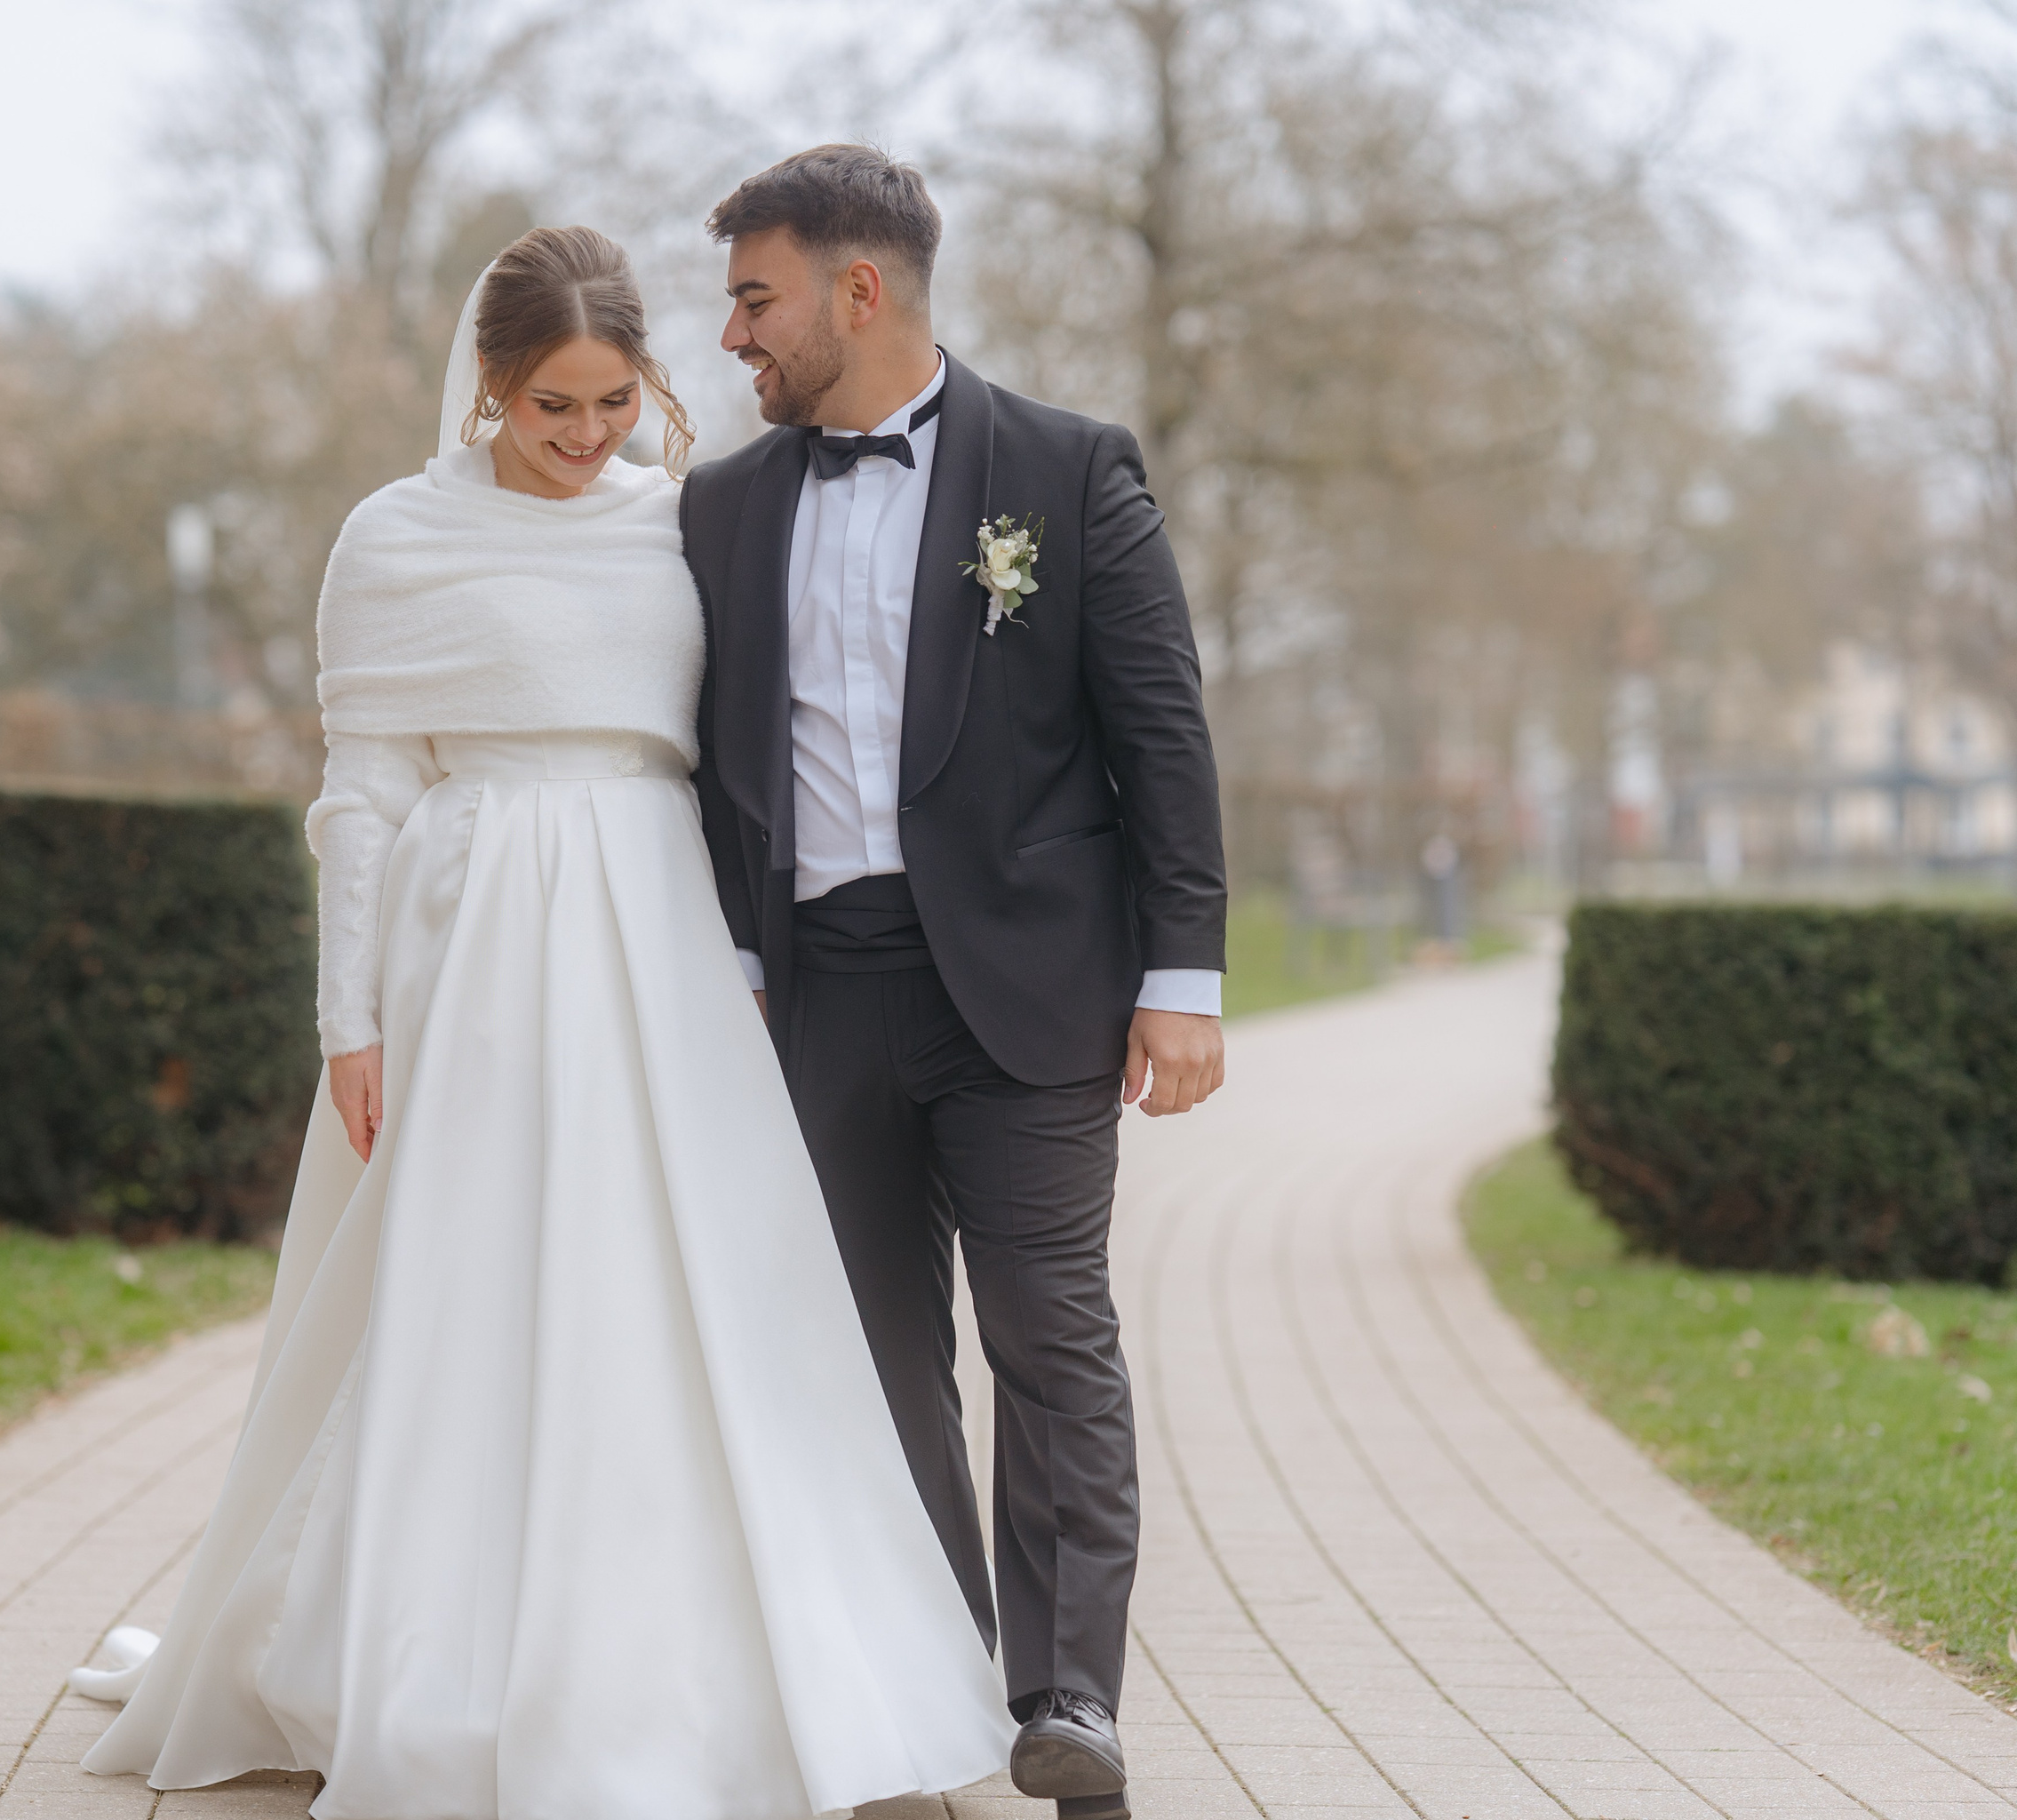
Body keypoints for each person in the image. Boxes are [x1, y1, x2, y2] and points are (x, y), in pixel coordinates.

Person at [65, 225, 1014, 1820]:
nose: (586, 440)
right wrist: (347, 1016)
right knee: (477, 1280)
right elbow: (362, 789)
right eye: (551, 408)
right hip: (474, 936)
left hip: (656, 931)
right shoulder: (390, 539)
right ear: (488, 389)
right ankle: (430, 1646)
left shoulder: (689, 522)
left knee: (675, 1279)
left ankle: (706, 1658)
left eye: (612, 403)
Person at [682, 147, 1230, 1820]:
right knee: (868, 1355)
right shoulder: (718, 507)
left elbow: (1164, 736)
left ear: (861, 290)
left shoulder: (1065, 477)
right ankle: (924, 1683)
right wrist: (736, 966)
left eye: (754, 297)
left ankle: (1072, 1701)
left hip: (1031, 995)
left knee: (1050, 1338)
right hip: (822, 992)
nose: (731, 338)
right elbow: (707, 771)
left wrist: (1184, 976)